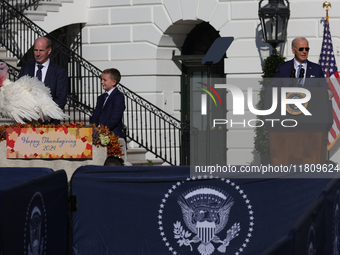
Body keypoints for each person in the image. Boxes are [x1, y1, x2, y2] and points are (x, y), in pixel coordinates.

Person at [19, 37, 68, 124]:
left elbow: (61, 99)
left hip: (50, 123)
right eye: (35, 50)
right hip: (28, 123)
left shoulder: (59, 72)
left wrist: (44, 116)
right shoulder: (25, 70)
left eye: (41, 50)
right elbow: (20, 94)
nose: (38, 54)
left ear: (49, 51)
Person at [90, 68, 125, 139]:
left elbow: (114, 119)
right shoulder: (101, 98)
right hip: (98, 135)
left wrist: (101, 130)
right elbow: (95, 115)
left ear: (113, 82)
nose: (102, 82)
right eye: (102, 79)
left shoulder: (118, 97)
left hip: (112, 136)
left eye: (105, 80)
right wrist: (93, 128)